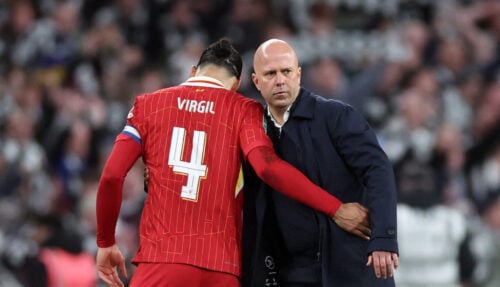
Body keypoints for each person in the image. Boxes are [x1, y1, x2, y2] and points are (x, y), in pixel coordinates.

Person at [95, 38, 370, 287]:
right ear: (237, 84)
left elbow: (111, 175)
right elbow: (268, 168)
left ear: (193, 72)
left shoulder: (148, 105)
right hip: (222, 269)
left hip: (163, 261)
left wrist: (106, 242)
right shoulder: (244, 110)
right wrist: (334, 208)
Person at [242, 39, 399, 287]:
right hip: (292, 274)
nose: (280, 80)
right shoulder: (254, 135)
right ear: (256, 81)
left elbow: (377, 169)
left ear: (299, 74)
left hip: (351, 269)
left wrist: (383, 238)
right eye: (270, 74)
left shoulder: (335, 116)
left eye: (286, 71)